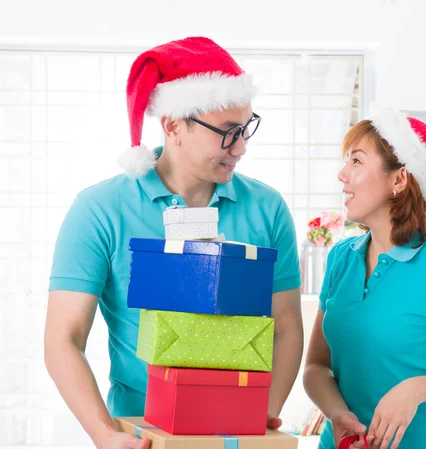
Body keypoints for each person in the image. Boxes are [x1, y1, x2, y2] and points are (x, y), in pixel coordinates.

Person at [44, 37, 304, 449]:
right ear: (172, 126)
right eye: (227, 133)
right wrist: (105, 435)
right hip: (142, 434)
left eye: (246, 128)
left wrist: (257, 421)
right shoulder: (99, 209)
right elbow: (64, 339)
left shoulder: (268, 209)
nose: (241, 147)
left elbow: (286, 326)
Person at [303, 108, 426, 449]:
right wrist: (337, 414)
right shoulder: (341, 257)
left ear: (398, 180)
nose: (342, 174)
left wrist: (417, 389)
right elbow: (316, 366)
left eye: (356, 161)